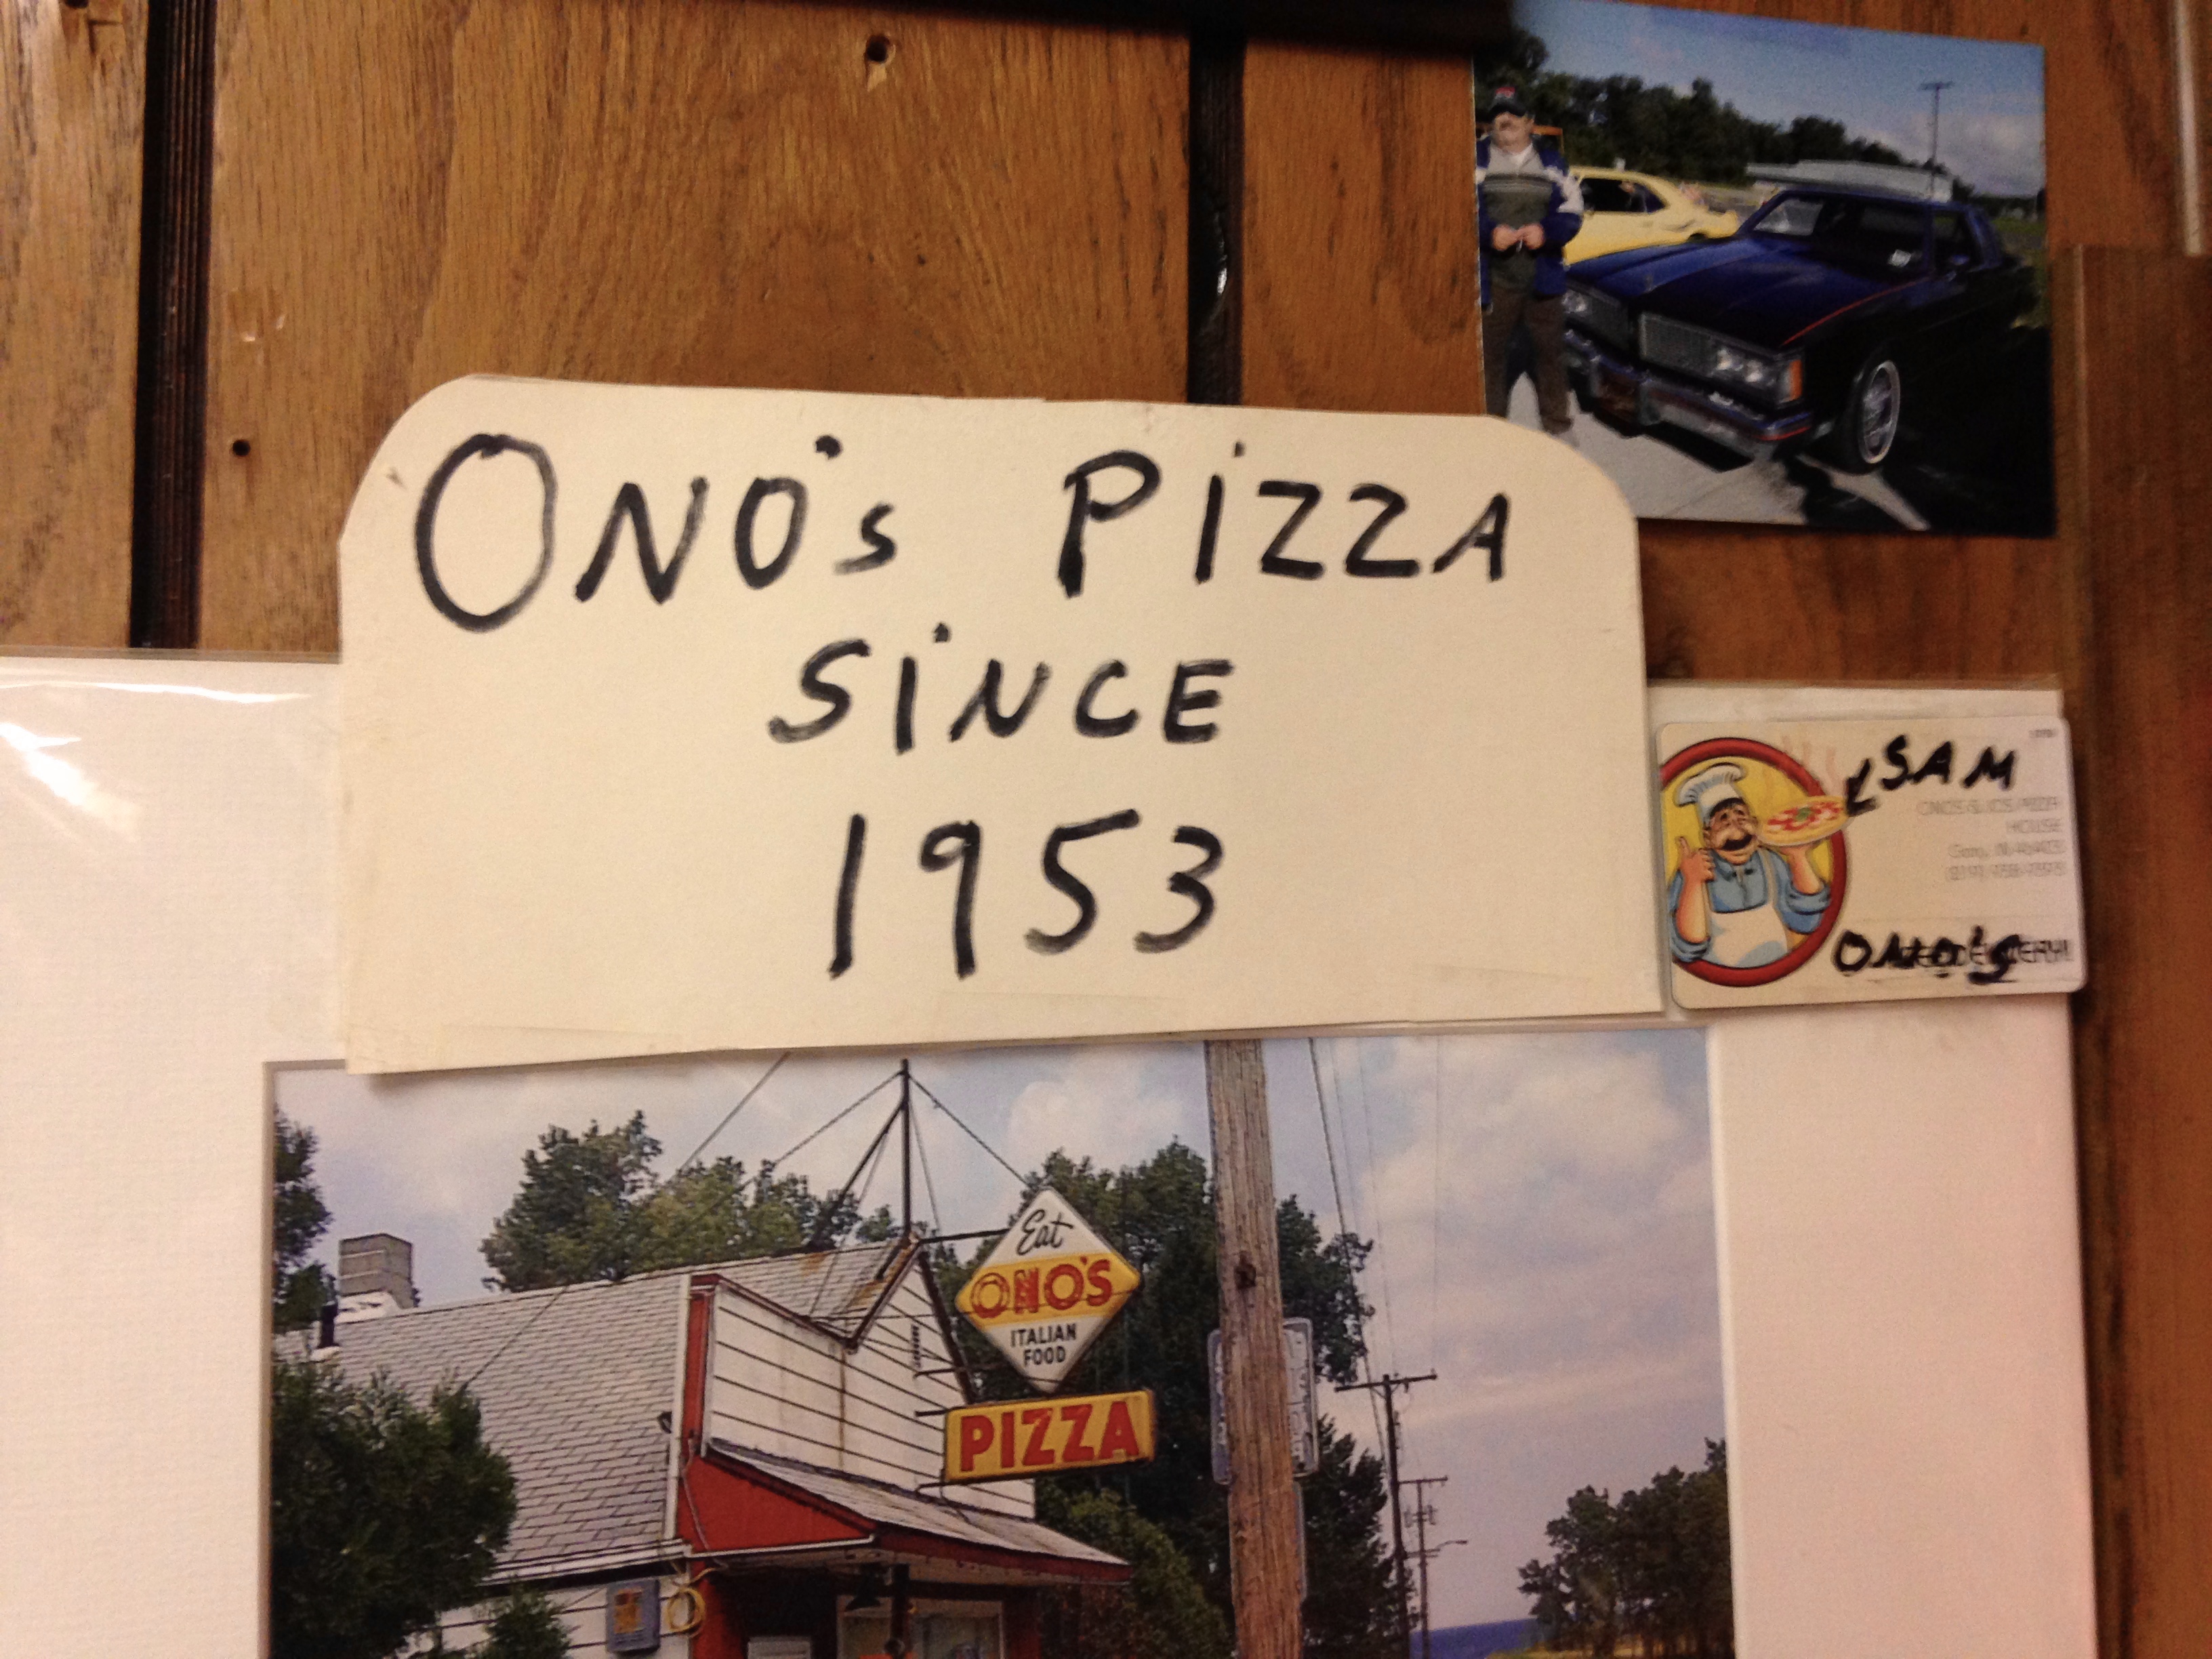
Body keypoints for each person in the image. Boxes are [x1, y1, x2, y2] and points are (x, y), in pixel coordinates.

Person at [1477, 86, 1583, 439]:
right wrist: (1488, 233)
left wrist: (1546, 232)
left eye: (1513, 113)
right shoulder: (1475, 159)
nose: (1505, 119)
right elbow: (1458, 207)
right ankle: (1490, 430)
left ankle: (1558, 428)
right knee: (1490, 358)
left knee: (1550, 356)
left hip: (1543, 281)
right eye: (1498, 113)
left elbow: (1573, 211)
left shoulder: (1552, 163)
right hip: (1495, 281)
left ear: (1530, 123)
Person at [1668, 763, 1831, 969]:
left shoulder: (1770, 862)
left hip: (1777, 972)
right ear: (1708, 837)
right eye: (1723, 820)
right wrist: (1692, 883)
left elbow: (1805, 922)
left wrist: (1799, 858)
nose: (1735, 824)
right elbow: (1686, 948)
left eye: (1741, 815)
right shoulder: (1694, 869)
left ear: (1755, 823)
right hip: (1722, 980)